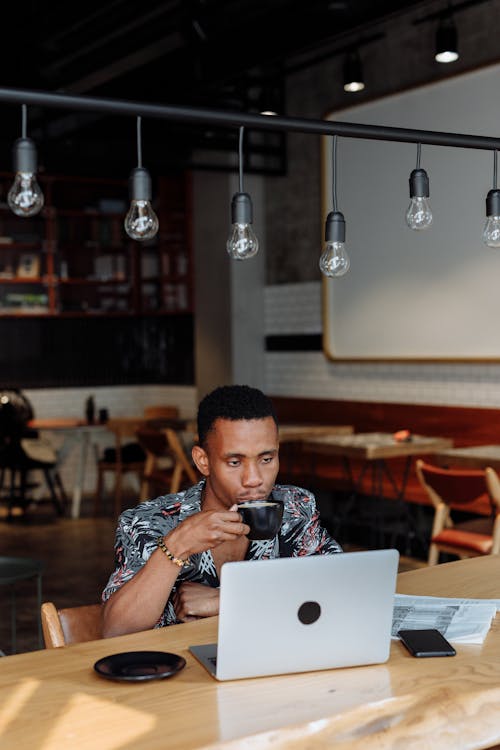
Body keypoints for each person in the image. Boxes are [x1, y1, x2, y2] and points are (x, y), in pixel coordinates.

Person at [102, 384, 342, 637]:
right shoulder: (147, 522)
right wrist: (176, 546)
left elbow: (340, 588)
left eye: (266, 459)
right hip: (182, 670)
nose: (254, 479)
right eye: (235, 462)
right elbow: (114, 629)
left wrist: (227, 600)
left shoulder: (296, 507)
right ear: (203, 460)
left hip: (275, 663)